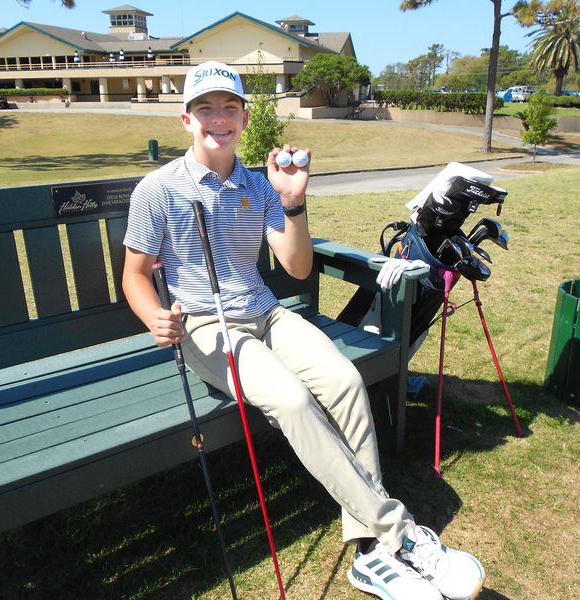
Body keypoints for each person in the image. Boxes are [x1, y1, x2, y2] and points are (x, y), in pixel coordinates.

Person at [122, 60, 485, 600]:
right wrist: (155, 315)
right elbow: (135, 275)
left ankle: (368, 554)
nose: (217, 119)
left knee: (343, 381)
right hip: (206, 326)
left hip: (266, 313)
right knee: (292, 401)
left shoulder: (259, 184)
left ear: (244, 118)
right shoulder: (159, 190)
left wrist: (292, 201)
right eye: (205, 109)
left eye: (228, 108)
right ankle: (400, 535)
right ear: (185, 119)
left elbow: (295, 268)